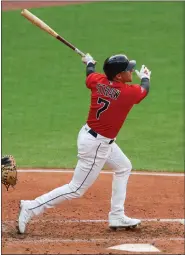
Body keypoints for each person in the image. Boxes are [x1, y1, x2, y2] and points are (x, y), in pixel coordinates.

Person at [17, 53, 151, 234]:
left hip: (91, 136)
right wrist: (145, 77)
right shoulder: (126, 93)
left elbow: (89, 75)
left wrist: (88, 62)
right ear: (118, 76)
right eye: (129, 69)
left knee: (124, 167)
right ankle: (31, 207)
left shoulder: (98, 81)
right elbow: (144, 90)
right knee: (76, 188)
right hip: (97, 145)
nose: (131, 71)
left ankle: (117, 215)